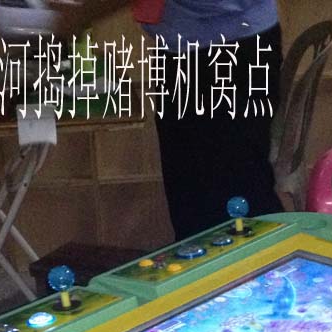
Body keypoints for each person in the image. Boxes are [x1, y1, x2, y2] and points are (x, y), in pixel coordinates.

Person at [62, 0, 285, 240]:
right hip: (193, 48)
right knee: (194, 203)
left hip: (225, 52)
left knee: (232, 200)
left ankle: (262, 259)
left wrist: (71, 17)